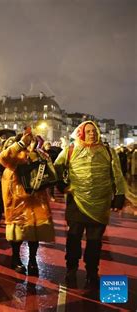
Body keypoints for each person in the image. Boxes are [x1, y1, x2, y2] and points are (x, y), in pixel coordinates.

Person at [54, 121, 125, 288]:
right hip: (76, 203)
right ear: (82, 133)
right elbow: (56, 167)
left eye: (94, 130)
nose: (92, 133)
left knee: (95, 242)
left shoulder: (108, 150)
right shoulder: (71, 149)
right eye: (88, 131)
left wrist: (119, 196)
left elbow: (117, 175)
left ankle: (92, 271)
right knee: (73, 239)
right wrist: (63, 186)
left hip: (100, 203)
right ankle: (71, 269)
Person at [0, 132, 56, 275]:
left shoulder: (40, 155)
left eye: (33, 141)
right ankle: (16, 258)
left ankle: (32, 260)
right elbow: (2, 157)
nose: (31, 144)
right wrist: (20, 144)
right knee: (17, 234)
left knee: (34, 234)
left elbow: (51, 174)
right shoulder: (15, 157)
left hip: (36, 200)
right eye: (28, 141)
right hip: (18, 200)